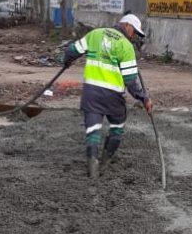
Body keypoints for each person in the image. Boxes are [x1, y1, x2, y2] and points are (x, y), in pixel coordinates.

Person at [62, 12, 152, 179]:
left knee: (93, 129)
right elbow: (131, 82)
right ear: (127, 26)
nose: (134, 37)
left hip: (91, 94)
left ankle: (92, 165)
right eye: (135, 32)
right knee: (118, 126)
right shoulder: (126, 47)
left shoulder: (96, 34)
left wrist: (67, 59)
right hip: (112, 96)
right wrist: (143, 98)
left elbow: (73, 50)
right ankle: (104, 162)